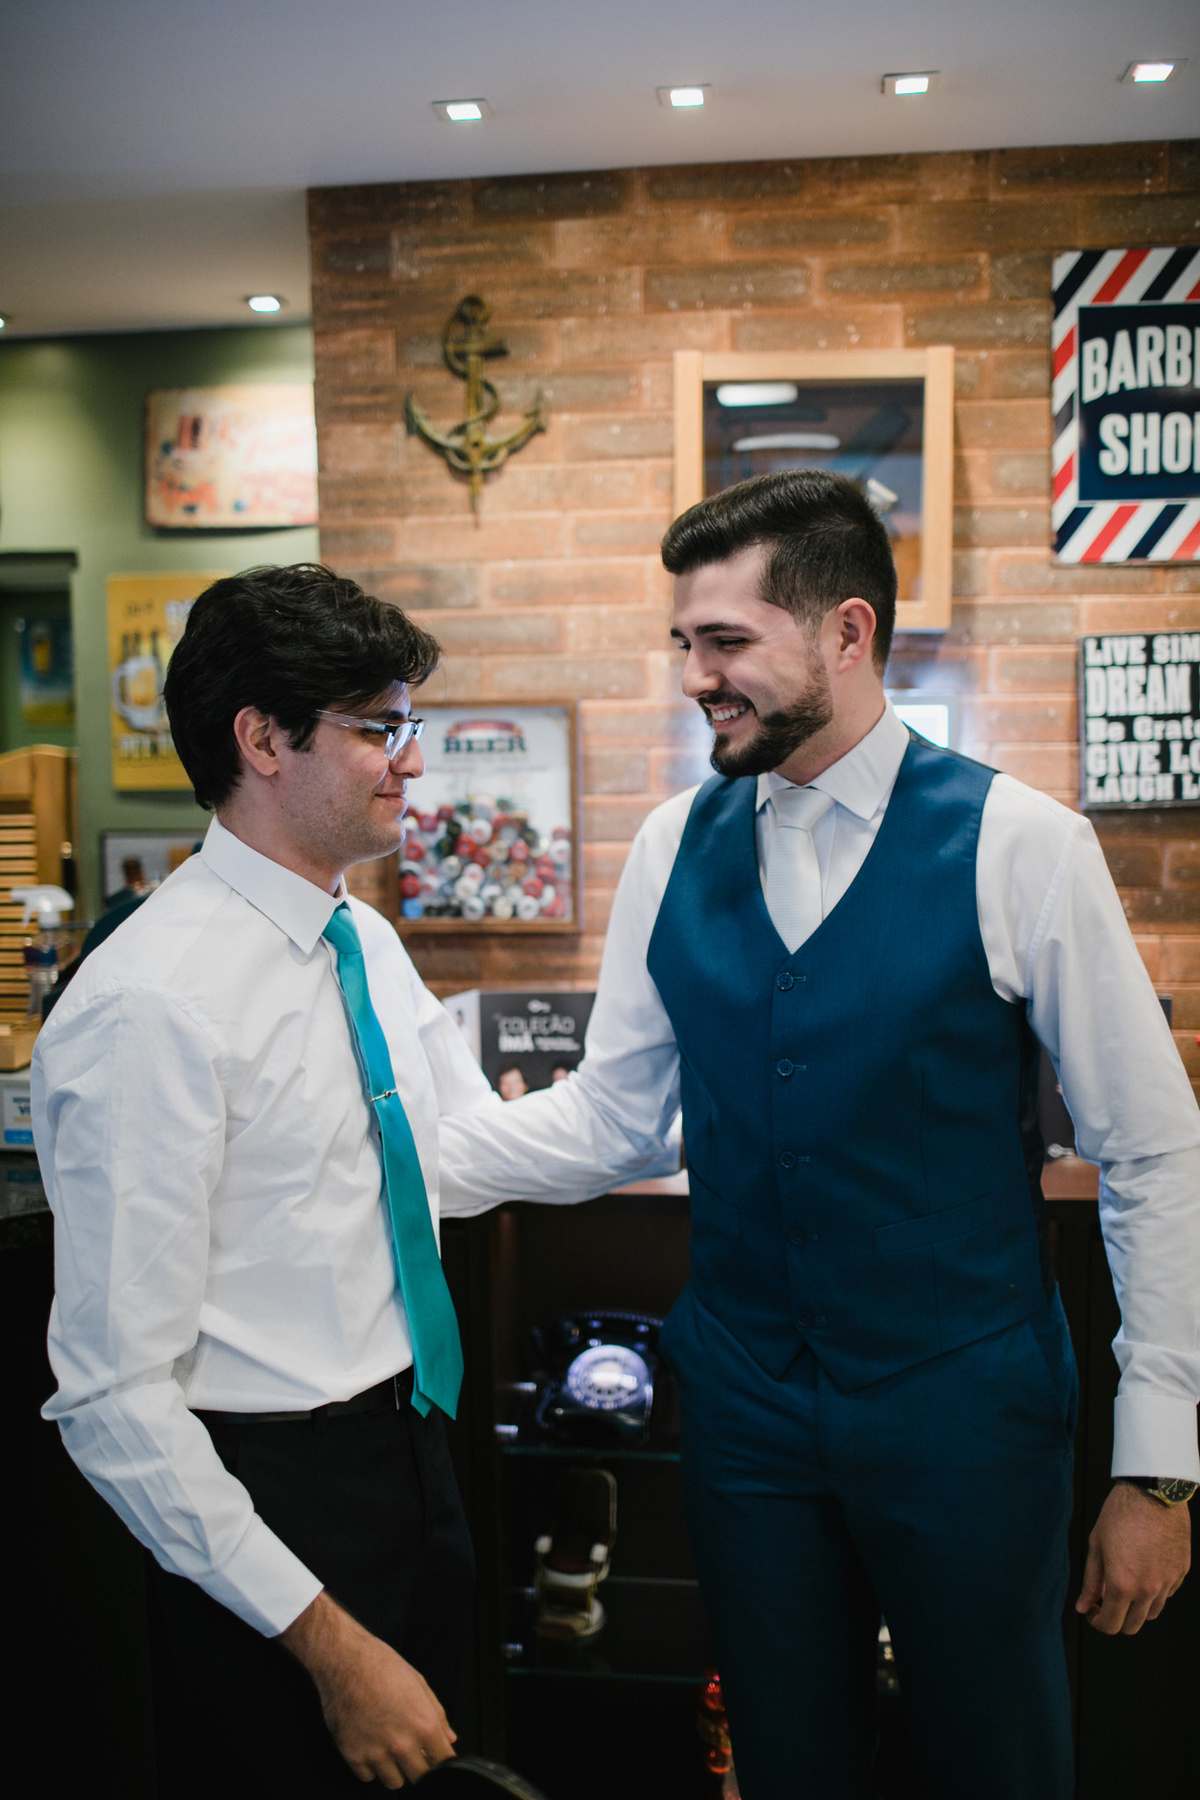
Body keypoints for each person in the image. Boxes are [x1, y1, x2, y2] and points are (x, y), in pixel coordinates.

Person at [438, 471, 1200, 1799]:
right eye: (685, 643)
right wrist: (399, 1156)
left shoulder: (1021, 844)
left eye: (726, 642)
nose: (696, 677)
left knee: (997, 1759)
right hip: (747, 1406)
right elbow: (617, 1117)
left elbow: (1151, 1150)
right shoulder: (676, 842)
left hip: (967, 1399)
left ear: (848, 633)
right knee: (784, 1761)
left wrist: (1160, 1464)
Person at [33, 565, 606, 1797]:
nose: (413, 760)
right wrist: (332, 1648)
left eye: (411, 724)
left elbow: (442, 1162)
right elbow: (112, 1400)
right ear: (263, 739)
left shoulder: (365, 941)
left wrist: (671, 1114)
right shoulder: (149, 1004)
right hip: (264, 1506)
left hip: (413, 1449)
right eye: (377, 728)